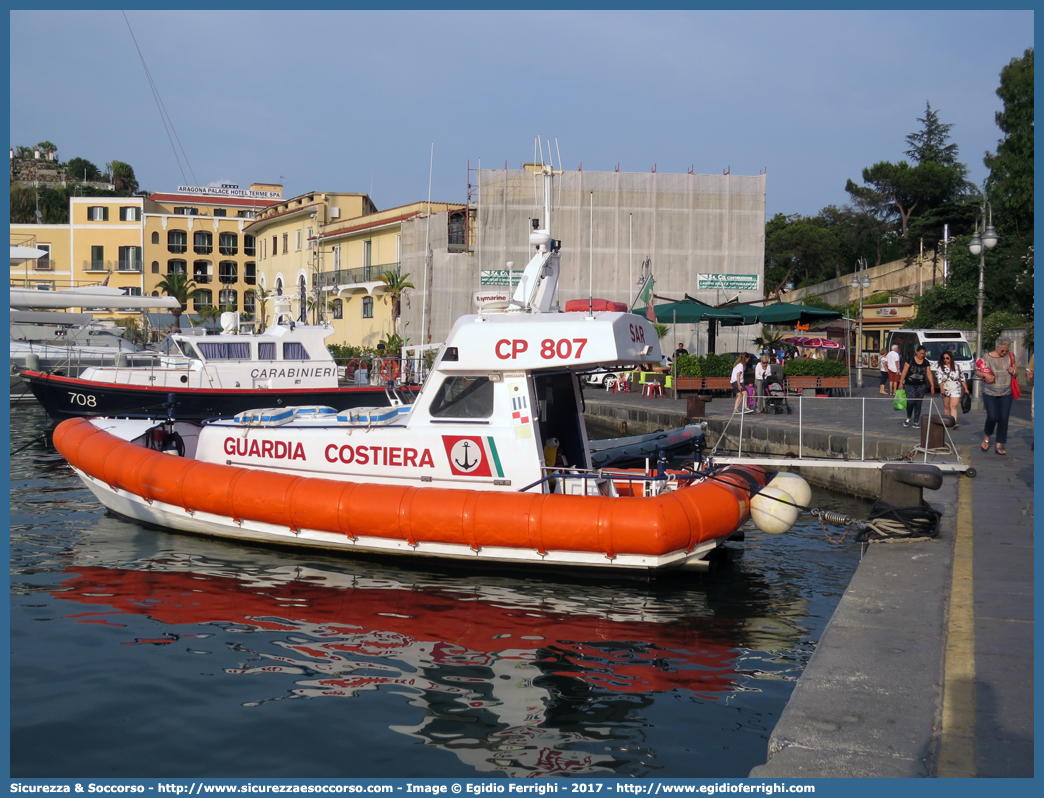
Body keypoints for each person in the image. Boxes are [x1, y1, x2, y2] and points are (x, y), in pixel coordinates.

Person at [977, 335, 1019, 456]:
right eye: (1003, 350)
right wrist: (985, 375)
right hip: (989, 392)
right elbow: (977, 371)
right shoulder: (986, 357)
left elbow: (1016, 372)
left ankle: (1000, 443)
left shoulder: (1010, 356)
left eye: (1007, 350)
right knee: (992, 416)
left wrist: (1013, 371)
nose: (1005, 352)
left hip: (1006, 392)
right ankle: (987, 437)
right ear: (997, 347)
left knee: (1004, 418)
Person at [898, 345, 935, 429]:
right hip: (909, 384)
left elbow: (928, 374)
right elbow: (904, 371)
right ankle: (908, 417)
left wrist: (932, 385)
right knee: (911, 401)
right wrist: (901, 382)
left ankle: (916, 420)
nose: (922, 355)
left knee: (918, 403)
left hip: (921, 385)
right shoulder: (910, 360)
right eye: (920, 353)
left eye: (923, 354)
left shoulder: (926, 362)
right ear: (917, 352)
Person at [933, 350, 968, 426]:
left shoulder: (957, 367)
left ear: (951, 358)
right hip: (945, 387)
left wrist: (966, 388)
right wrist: (941, 388)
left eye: (947, 358)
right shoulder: (940, 368)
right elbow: (939, 379)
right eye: (944, 358)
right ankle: (947, 421)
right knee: (946, 406)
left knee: (954, 406)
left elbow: (962, 378)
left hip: (956, 387)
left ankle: (953, 422)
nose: (945, 360)